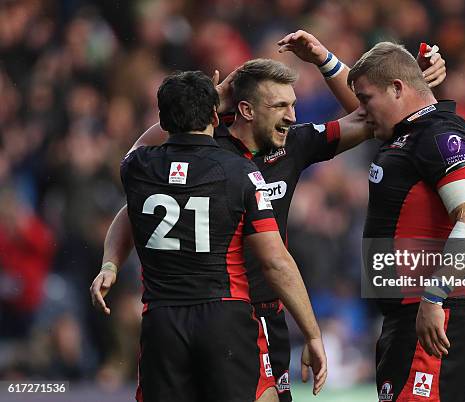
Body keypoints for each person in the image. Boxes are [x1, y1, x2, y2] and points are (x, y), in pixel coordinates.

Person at [95, 31, 447, 401]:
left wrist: (338, 63)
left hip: (266, 313)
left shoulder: (293, 143)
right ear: (246, 110)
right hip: (230, 313)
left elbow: (370, 117)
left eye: (292, 106)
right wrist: (208, 103)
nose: (291, 117)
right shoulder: (210, 149)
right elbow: (142, 179)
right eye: (280, 107)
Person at [89, 71, 326, 402]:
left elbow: (136, 153)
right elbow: (275, 261)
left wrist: (110, 264)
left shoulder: (140, 167)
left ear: (164, 119)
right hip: (224, 316)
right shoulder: (239, 172)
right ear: (216, 116)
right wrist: (312, 334)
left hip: (163, 319)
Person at [346, 43, 465, 401]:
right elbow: (374, 89)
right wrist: (323, 59)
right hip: (409, 317)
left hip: (435, 315)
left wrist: (434, 296)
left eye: (366, 100)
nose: (361, 112)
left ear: (398, 88)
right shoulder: (407, 133)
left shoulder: (440, 135)